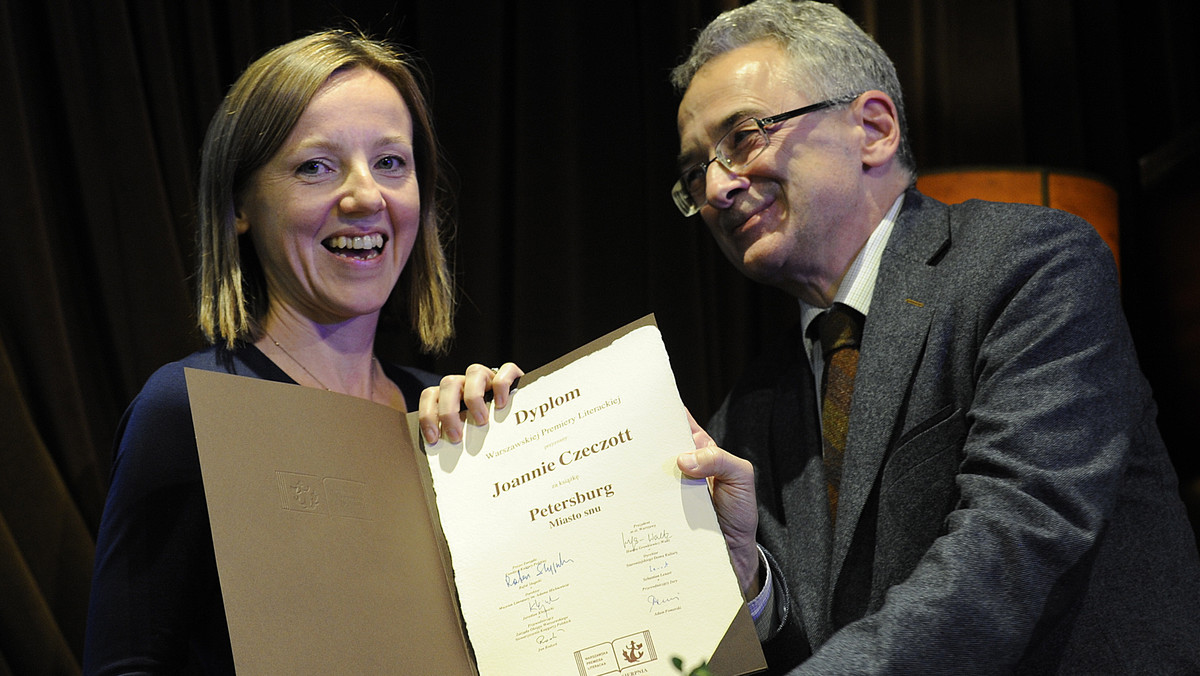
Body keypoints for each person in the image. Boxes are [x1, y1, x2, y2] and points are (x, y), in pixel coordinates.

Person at [424, 1, 1200, 673]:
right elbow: (812, 632)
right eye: (695, 172)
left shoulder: (1030, 266)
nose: (720, 188)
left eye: (745, 137)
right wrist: (750, 587)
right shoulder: (749, 407)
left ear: (873, 127)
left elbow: (1016, 540)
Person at [85, 30, 454, 673]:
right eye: (316, 166)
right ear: (238, 205)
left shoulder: (445, 412)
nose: (367, 196)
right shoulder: (187, 411)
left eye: (391, 162)